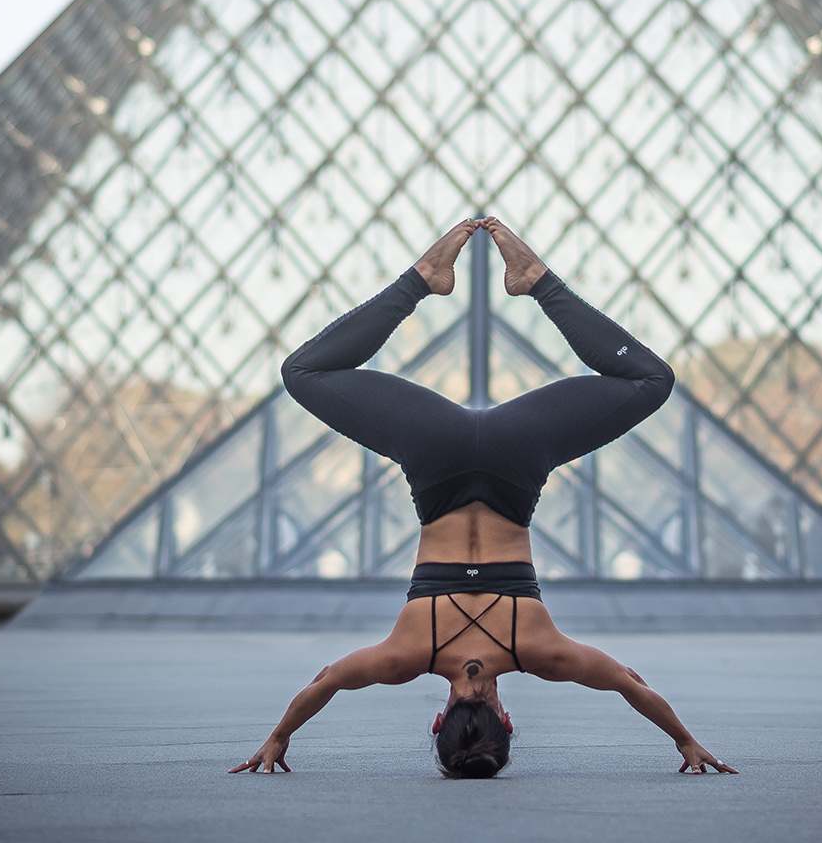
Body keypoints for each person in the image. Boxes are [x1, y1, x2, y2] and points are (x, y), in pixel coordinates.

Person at [230, 218, 738, 779]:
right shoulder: (408, 652)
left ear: (508, 721)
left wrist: (686, 742)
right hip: (436, 455)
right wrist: (278, 738)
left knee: (650, 381)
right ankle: (424, 278)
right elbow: (325, 681)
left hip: (515, 458)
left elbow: (629, 683)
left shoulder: (538, 649)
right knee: (303, 371)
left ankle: (536, 280)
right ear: (437, 722)